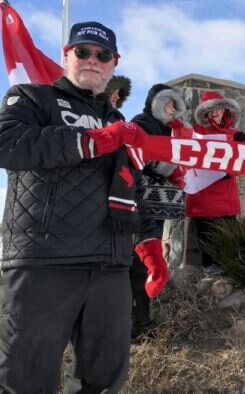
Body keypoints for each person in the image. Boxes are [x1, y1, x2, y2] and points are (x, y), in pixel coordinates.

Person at [0, 21, 167, 392]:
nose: (93, 60)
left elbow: (134, 185)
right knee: (25, 381)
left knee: (104, 381)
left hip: (110, 268)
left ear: (113, 64)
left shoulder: (117, 120)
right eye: (83, 51)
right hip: (43, 263)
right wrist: (90, 142)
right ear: (66, 55)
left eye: (103, 55)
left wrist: (151, 242)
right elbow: (8, 143)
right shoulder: (30, 98)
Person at [129, 83, 187, 339]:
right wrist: (168, 167)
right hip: (138, 204)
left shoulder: (170, 131)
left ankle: (142, 320)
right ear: (156, 103)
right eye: (168, 103)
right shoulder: (141, 123)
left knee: (148, 266)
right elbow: (136, 159)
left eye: (176, 105)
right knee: (137, 265)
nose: (172, 109)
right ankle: (135, 325)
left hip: (157, 205)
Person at [185, 91, 244, 276]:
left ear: (223, 108)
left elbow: (244, 161)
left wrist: (243, 144)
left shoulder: (233, 133)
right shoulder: (198, 132)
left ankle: (229, 268)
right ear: (205, 113)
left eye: (216, 108)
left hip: (226, 192)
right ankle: (209, 269)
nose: (214, 113)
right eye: (209, 110)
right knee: (207, 233)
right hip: (205, 194)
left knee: (229, 235)